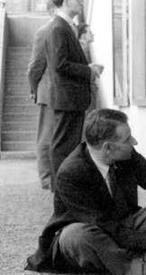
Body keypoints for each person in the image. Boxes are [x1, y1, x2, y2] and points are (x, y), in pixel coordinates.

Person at [25, 109, 146, 275]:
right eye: (127, 140)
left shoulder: (125, 154)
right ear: (107, 147)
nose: (134, 142)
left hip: (126, 223)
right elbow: (101, 223)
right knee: (75, 235)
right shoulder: (71, 172)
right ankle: (139, 266)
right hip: (95, 233)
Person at [46, 0, 104, 190]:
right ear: (66, 2)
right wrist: (88, 70)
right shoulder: (58, 27)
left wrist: (87, 69)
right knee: (63, 146)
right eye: (77, 0)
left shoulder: (63, 26)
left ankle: (65, 188)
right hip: (67, 98)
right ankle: (61, 190)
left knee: (67, 144)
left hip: (70, 98)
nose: (81, 3)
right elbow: (59, 64)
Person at [27, 2, 55, 190]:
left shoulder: (64, 30)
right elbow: (35, 66)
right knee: (46, 137)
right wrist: (33, 88)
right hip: (49, 93)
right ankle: (46, 178)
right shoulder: (44, 31)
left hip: (61, 93)